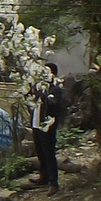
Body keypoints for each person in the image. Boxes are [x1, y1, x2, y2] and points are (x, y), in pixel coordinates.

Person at [32, 63, 66, 193]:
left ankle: (54, 183)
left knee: (49, 153)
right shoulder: (39, 86)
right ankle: (44, 176)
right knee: (40, 152)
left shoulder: (55, 88)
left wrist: (42, 95)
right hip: (36, 123)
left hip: (47, 125)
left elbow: (54, 103)